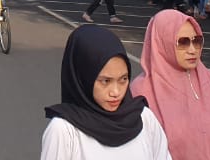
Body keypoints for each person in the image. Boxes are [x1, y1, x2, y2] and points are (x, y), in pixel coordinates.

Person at [40, 24, 171, 159]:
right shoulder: (64, 131)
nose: (115, 92)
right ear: (82, 79)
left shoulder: (144, 118)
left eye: (123, 79)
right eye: (105, 81)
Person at [132, 9, 210, 160]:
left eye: (197, 41)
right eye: (183, 42)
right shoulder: (141, 93)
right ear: (161, 42)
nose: (192, 50)